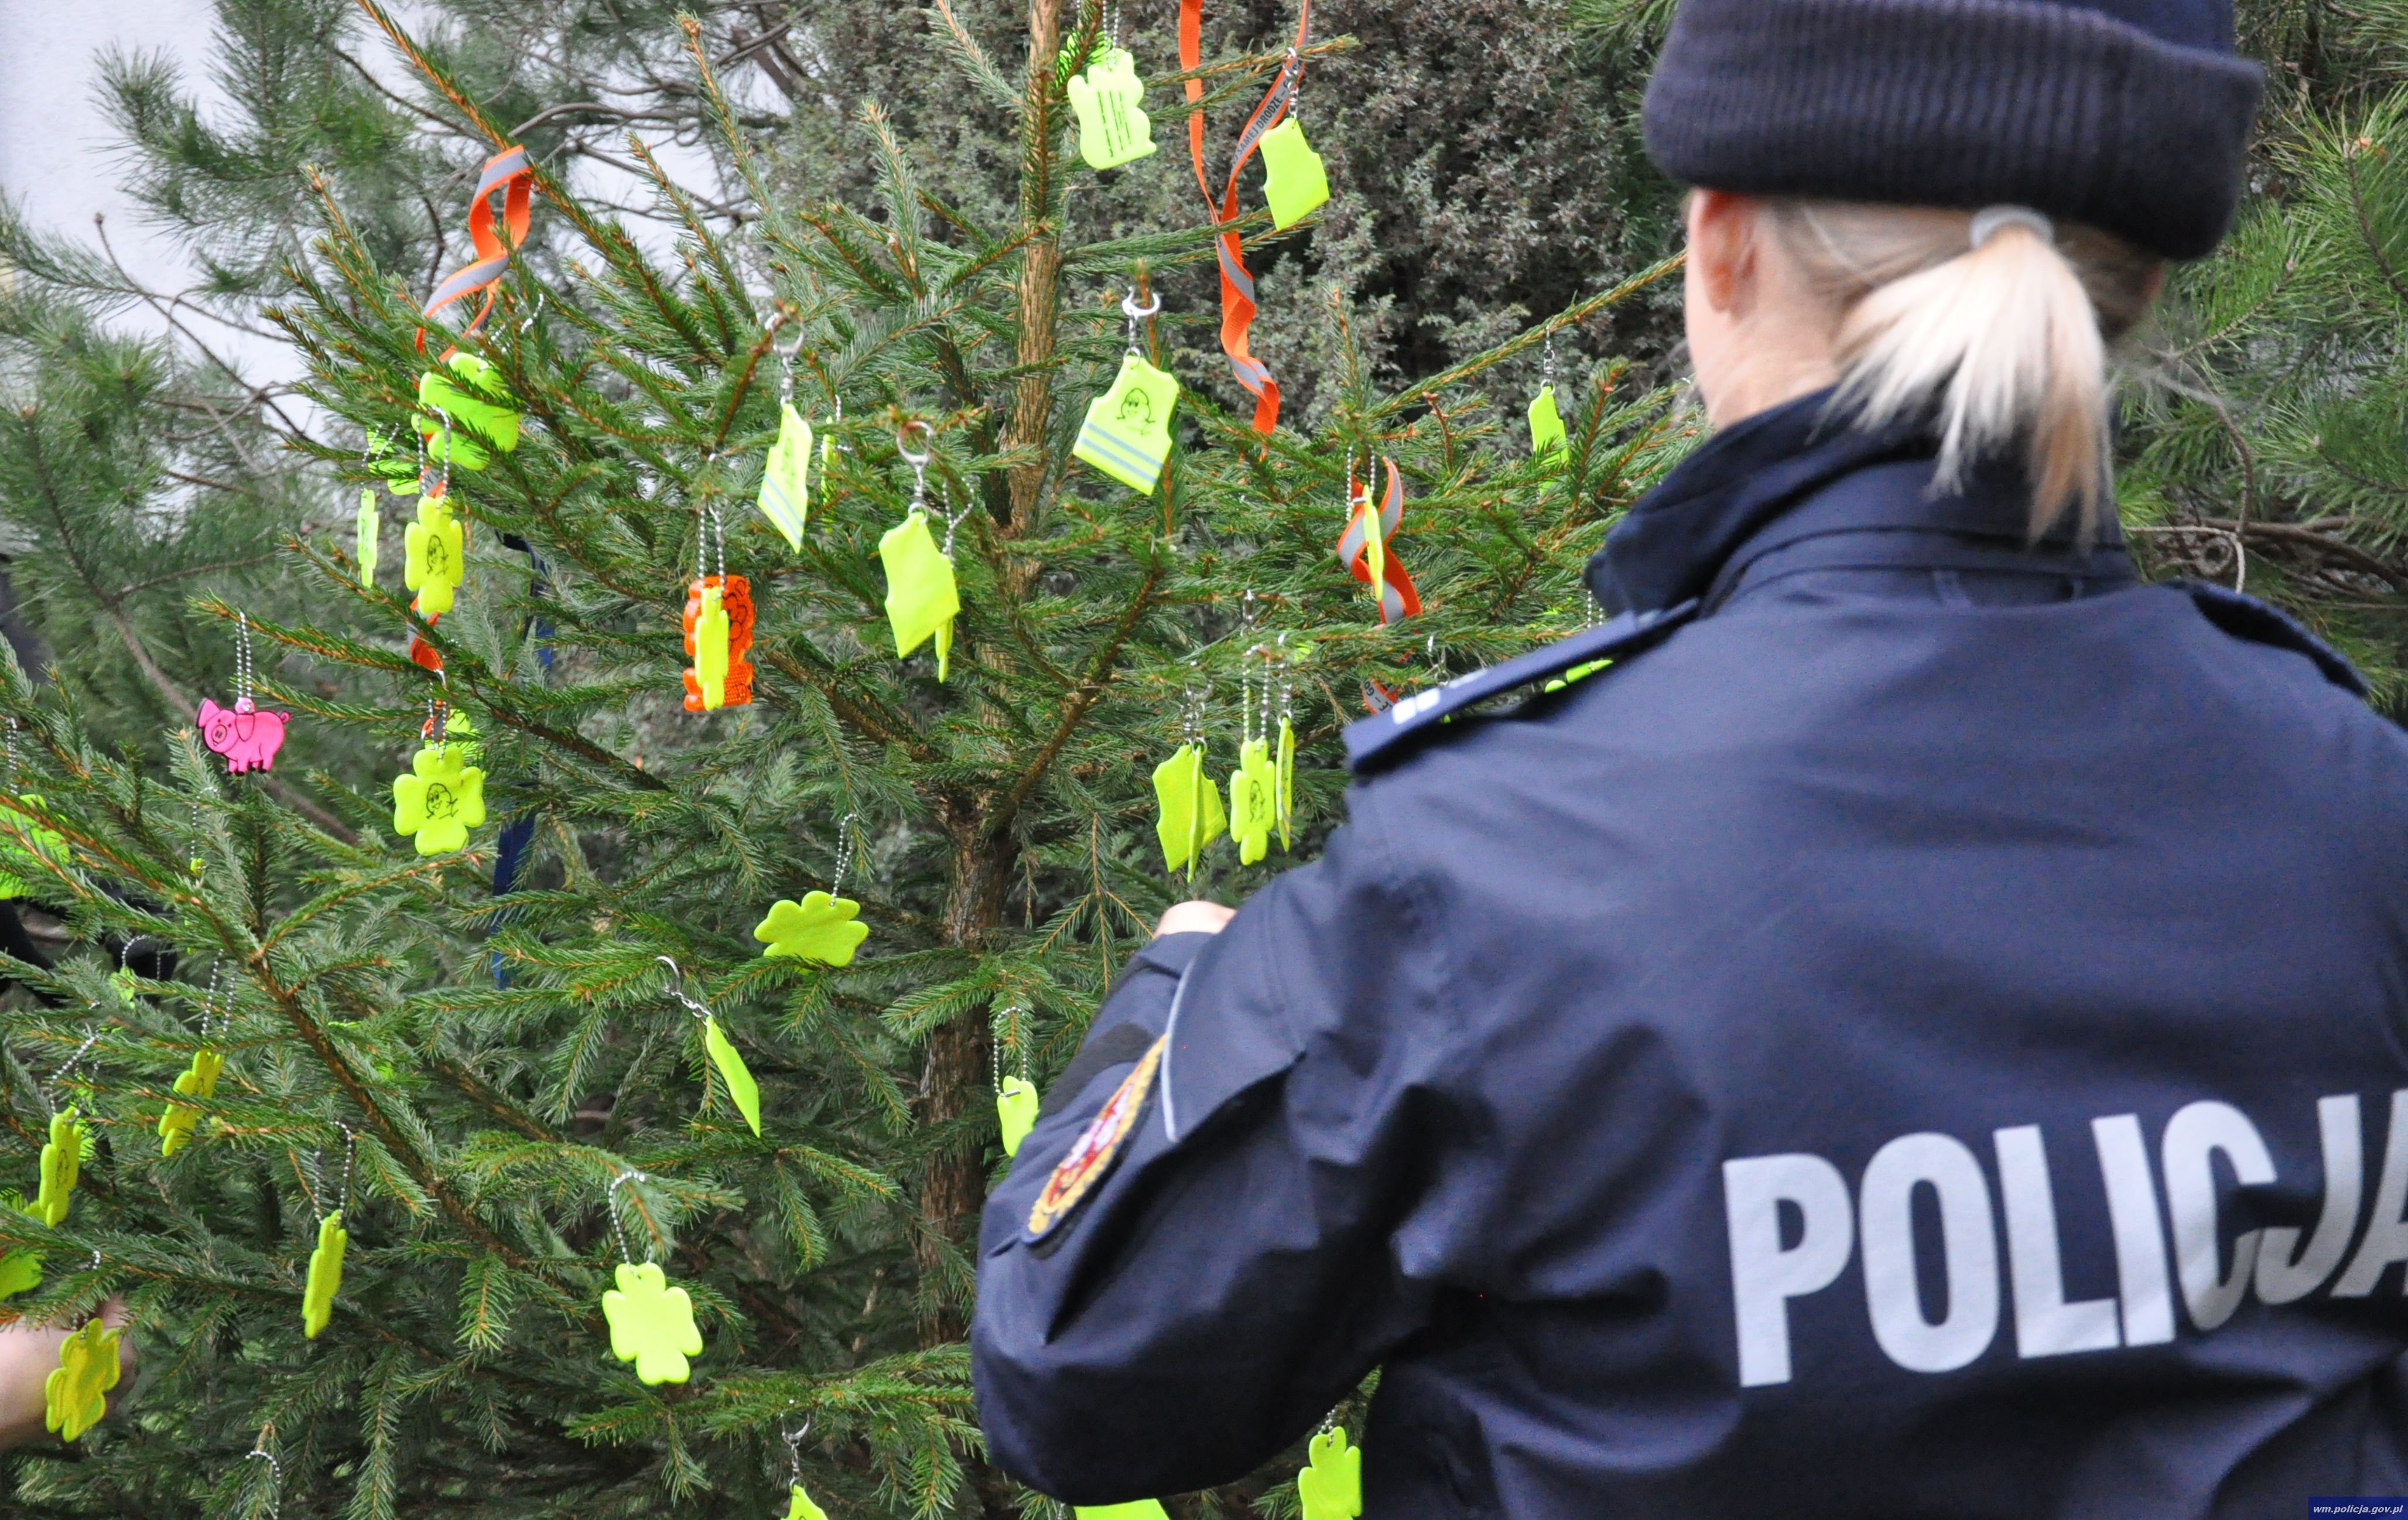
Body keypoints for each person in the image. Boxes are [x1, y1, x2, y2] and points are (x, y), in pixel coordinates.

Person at [974, 0, 2408, 1513]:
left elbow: (1073, 1362)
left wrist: (1182, 991)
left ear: (1717, 246)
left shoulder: (1492, 869)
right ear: (2144, 282)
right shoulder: (2362, 809)